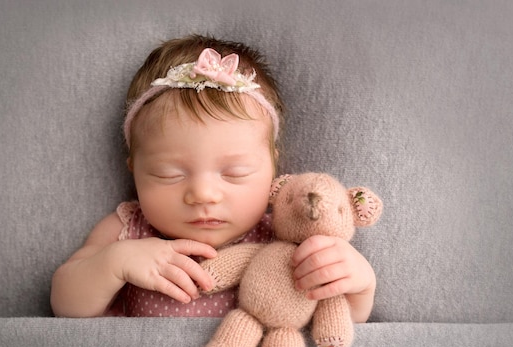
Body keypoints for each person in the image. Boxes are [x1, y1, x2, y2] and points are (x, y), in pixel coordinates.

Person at [50, 35, 376, 322]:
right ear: (134, 168)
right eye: (169, 173)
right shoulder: (128, 231)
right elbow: (65, 304)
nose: (203, 194)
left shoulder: (282, 237)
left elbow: (336, 326)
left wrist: (359, 285)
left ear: (272, 168)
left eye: (235, 173)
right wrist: (115, 262)